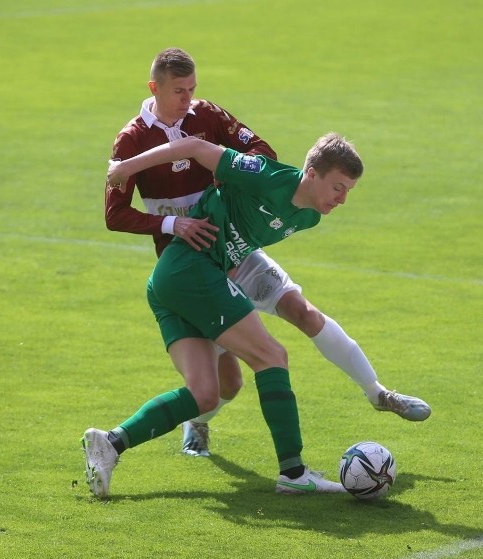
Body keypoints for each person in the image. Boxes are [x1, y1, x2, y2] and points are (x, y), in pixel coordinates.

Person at [102, 48, 429, 459]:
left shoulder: (207, 116)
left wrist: (235, 180)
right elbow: (114, 215)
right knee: (227, 385)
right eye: (178, 92)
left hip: (238, 247)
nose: (188, 100)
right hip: (193, 263)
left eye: (192, 90)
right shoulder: (131, 139)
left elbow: (260, 153)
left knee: (302, 311)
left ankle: (379, 393)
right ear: (155, 88)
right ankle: (204, 428)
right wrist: (174, 223)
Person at [82, 132, 364, 498]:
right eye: (338, 187)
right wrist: (126, 167)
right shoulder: (265, 175)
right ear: (312, 174)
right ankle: (293, 473)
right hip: (191, 270)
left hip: (174, 280)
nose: (341, 199)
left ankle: (109, 443)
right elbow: (196, 148)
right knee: (272, 356)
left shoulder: (309, 216)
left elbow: (239, 232)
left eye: (348, 192)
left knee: (205, 394)